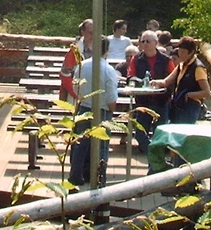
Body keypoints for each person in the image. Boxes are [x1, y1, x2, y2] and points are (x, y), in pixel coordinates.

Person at [68, 38, 121, 187]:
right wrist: (112, 109)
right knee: (102, 145)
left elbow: (75, 86)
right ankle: (99, 177)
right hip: (102, 110)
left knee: (80, 144)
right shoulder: (109, 70)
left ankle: (75, 175)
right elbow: (111, 96)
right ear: (107, 50)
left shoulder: (82, 66)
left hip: (84, 108)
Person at [124, 31, 173, 151]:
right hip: (143, 102)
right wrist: (141, 82)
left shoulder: (166, 60)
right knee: (140, 133)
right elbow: (130, 76)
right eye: (142, 41)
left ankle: (156, 161)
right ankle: (151, 153)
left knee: (160, 133)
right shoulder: (136, 59)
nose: (145, 44)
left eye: (148, 41)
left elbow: (172, 78)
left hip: (161, 101)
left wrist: (165, 92)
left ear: (155, 43)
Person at [156, 36, 211, 125]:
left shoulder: (198, 68)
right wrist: (154, 82)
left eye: (183, 52)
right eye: (179, 51)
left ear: (191, 52)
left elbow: (207, 92)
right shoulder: (181, 65)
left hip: (191, 106)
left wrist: (189, 95)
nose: (180, 54)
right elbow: (166, 82)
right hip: (178, 105)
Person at [60, 18, 93, 102]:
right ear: (83, 32)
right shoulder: (75, 50)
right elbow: (65, 74)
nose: (93, 36)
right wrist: (76, 94)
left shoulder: (100, 49)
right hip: (76, 96)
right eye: (90, 33)